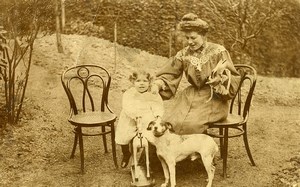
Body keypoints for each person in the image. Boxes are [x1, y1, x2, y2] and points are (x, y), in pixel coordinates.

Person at [151, 13, 241, 135]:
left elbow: (233, 77)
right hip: (189, 96)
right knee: (170, 121)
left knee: (190, 124)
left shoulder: (218, 51)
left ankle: (191, 153)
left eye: (193, 38)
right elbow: (169, 74)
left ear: (203, 36)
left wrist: (220, 81)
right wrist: (158, 84)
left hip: (214, 99)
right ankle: (166, 153)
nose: (190, 42)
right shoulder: (183, 54)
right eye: (187, 38)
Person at [115, 69, 164, 168]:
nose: (141, 84)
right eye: (138, 81)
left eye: (145, 81)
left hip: (146, 116)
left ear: (149, 82)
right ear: (133, 82)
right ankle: (126, 153)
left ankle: (149, 160)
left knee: (151, 135)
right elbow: (127, 107)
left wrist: (158, 116)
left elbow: (157, 105)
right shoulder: (129, 93)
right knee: (123, 134)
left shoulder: (152, 93)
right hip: (130, 117)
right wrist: (135, 116)